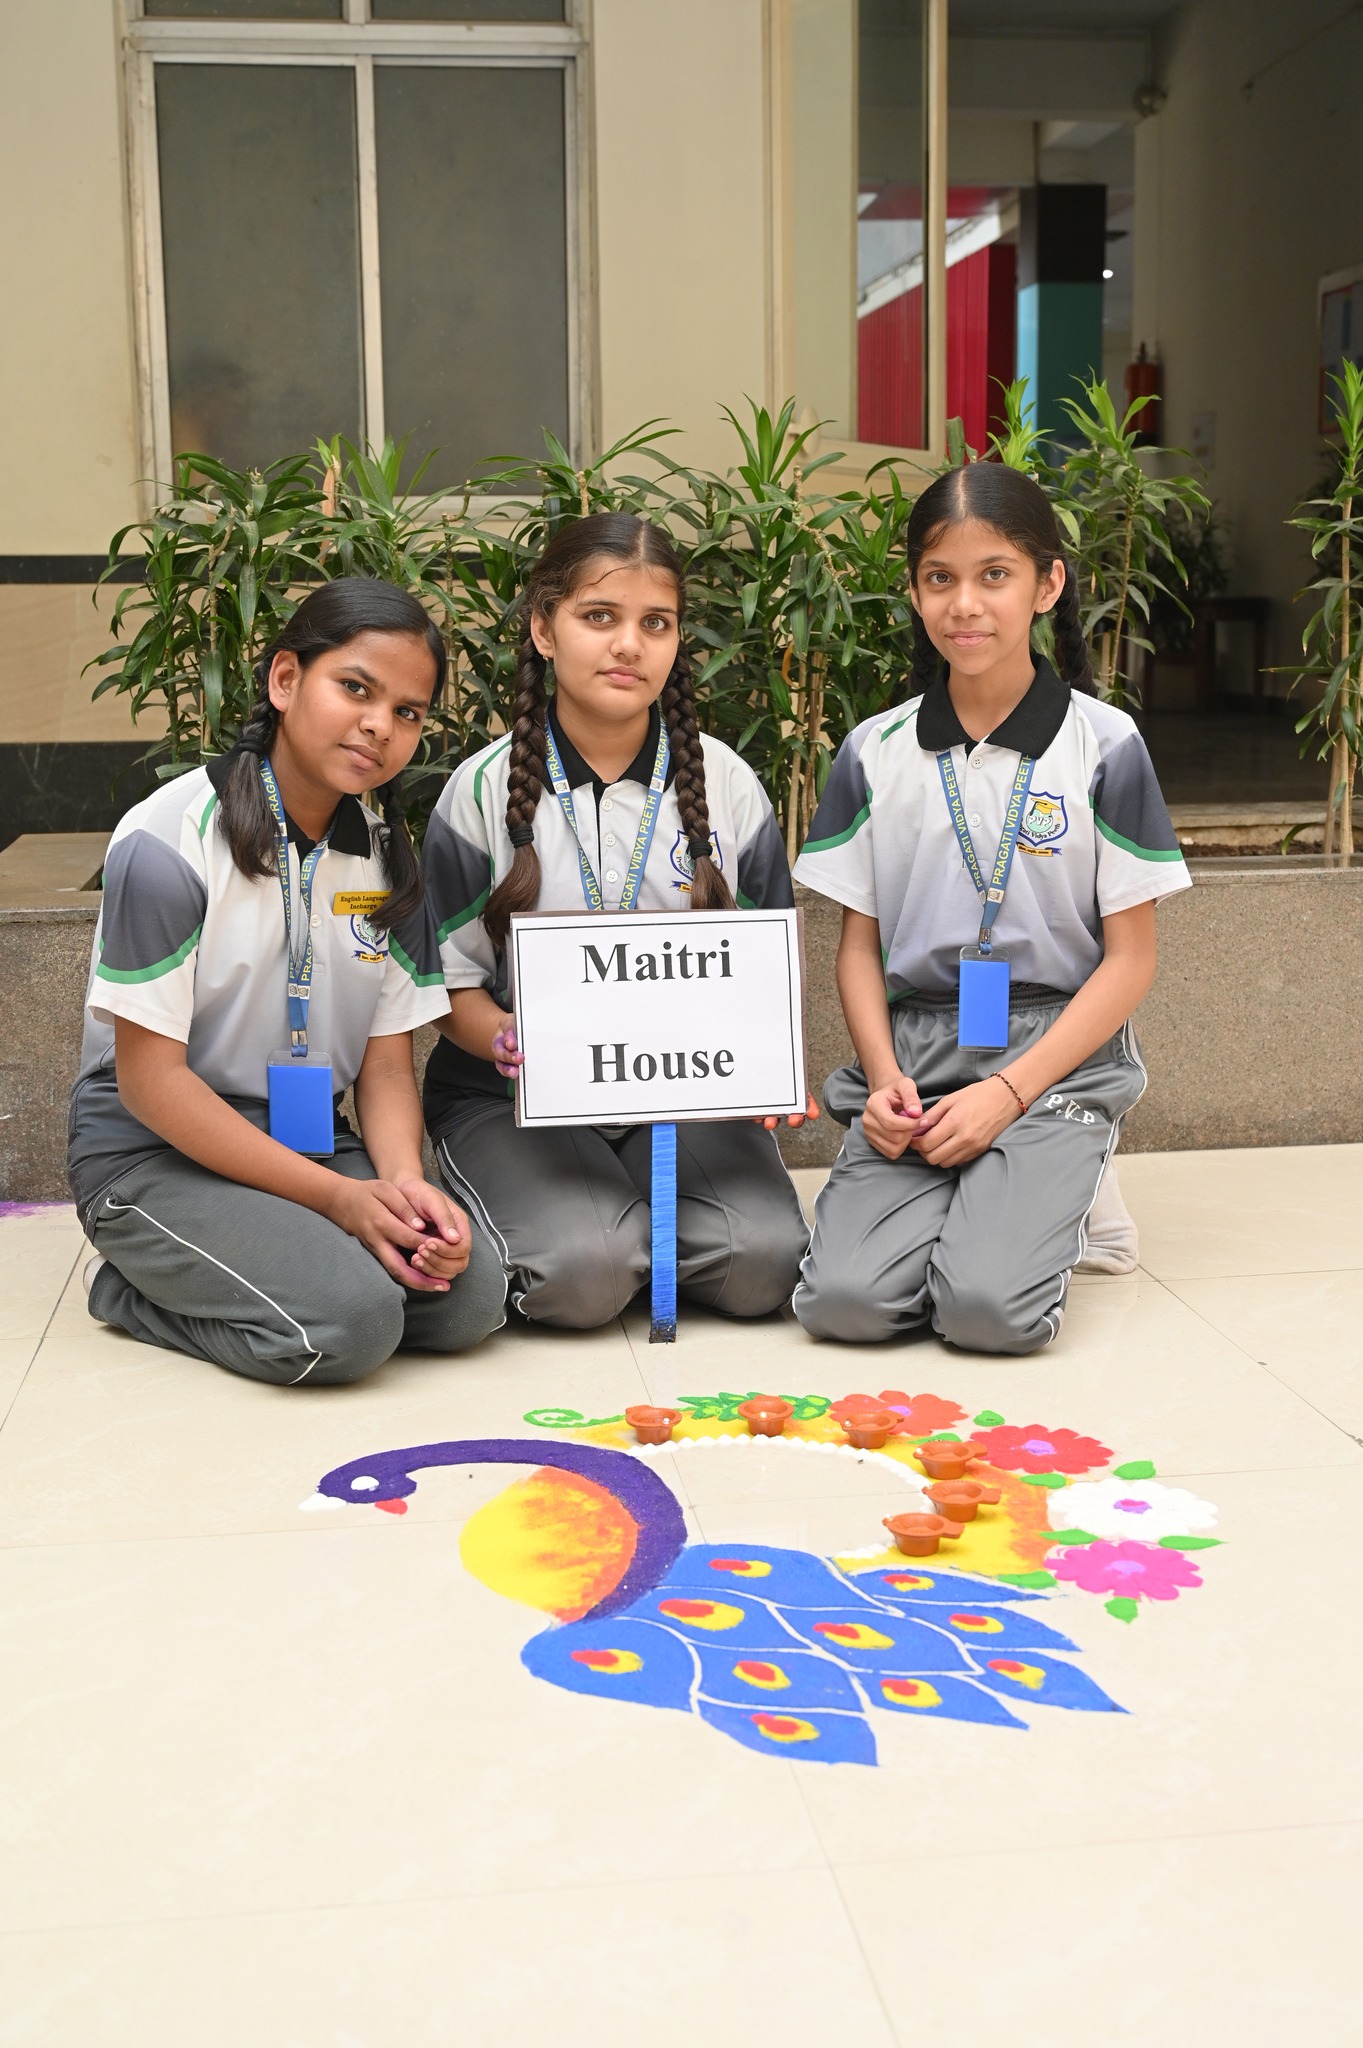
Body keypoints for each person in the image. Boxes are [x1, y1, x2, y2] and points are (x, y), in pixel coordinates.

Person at [791, 462, 1190, 1353]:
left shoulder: (1105, 743)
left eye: (993, 575)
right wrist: (884, 1078)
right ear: (914, 592)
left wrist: (1008, 1095)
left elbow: (1131, 958)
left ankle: (1065, 1185)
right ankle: (998, 1201)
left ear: (1047, 584)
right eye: (940, 578)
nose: (963, 604)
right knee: (843, 1305)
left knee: (986, 1314)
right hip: (919, 1047)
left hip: (1053, 1051)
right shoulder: (874, 750)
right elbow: (858, 948)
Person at [70, 578, 507, 1385]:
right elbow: (148, 1081)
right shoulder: (168, 840)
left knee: (468, 1298)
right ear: (284, 681)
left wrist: (403, 1187)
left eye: (408, 712)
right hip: (151, 1150)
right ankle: (130, 1293)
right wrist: (339, 1201)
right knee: (351, 1322)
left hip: (305, 1133)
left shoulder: (385, 858)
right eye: (355, 689)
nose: (379, 726)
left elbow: (383, 1067)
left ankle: (278, 1250)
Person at [421, 511, 810, 1328]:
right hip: (511, 1093)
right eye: (599, 617)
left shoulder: (727, 785)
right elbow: (444, 987)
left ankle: (625, 1211)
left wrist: (771, 1064)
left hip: (683, 1096)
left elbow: (763, 972)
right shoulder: (481, 790)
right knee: (584, 1277)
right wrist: (505, 1038)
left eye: (654, 623)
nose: (628, 645)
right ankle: (597, 1223)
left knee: (762, 1265)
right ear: (543, 628)